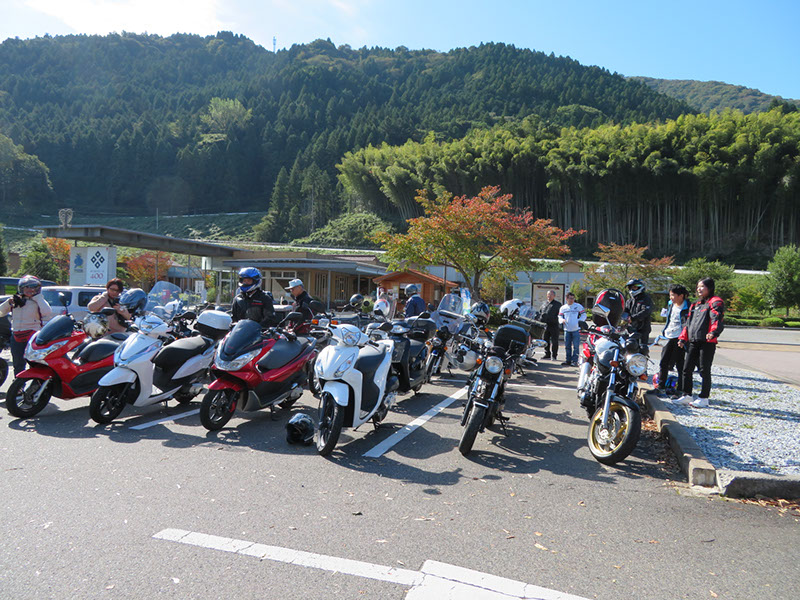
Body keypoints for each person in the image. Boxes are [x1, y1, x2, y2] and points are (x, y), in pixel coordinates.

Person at [674, 278, 725, 408]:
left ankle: (703, 397)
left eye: (702, 286)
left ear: (710, 288)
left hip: (707, 342)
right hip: (693, 341)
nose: (699, 289)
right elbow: (688, 323)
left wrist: (713, 332)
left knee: (704, 370)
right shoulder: (695, 304)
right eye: (698, 286)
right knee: (686, 369)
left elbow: (716, 319)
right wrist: (682, 338)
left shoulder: (715, 302)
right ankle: (687, 394)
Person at [0, 275, 53, 376]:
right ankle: (19, 384)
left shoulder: (38, 301)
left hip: (33, 335)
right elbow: (1, 312)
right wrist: (8, 302)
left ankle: (36, 383)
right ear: (21, 288)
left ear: (37, 289)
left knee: (34, 364)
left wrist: (37, 298)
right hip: (17, 335)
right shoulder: (16, 300)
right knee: (18, 364)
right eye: (26, 287)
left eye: (32, 288)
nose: (29, 290)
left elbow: (47, 312)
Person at [655, 284, 689, 398]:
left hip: (679, 337)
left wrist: (684, 338)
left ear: (681, 296)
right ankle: (660, 387)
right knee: (663, 362)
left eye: (673, 295)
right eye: (670, 295)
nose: (671, 298)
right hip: (668, 335)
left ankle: (680, 390)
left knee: (680, 364)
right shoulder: (670, 304)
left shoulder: (688, 306)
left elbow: (688, 324)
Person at [623, 278, 653, 356]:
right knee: (629, 348)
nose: (632, 289)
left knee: (642, 350)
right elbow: (625, 312)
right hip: (631, 329)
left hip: (643, 329)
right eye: (631, 287)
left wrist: (632, 318)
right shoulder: (629, 301)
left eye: (635, 287)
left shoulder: (646, 299)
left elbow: (645, 311)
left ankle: (642, 362)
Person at [557, 292, 586, 366]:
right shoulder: (563, 308)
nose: (572, 300)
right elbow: (560, 316)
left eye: (573, 298)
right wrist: (562, 320)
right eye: (570, 298)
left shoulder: (578, 306)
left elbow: (584, 314)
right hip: (567, 329)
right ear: (566, 299)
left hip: (576, 329)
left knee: (576, 346)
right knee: (567, 346)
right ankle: (568, 360)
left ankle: (575, 361)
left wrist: (579, 321)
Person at [539, 289, 562, 360]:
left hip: (554, 325)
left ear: (554, 296)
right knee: (545, 340)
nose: (549, 296)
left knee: (554, 341)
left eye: (551, 294)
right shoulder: (544, 303)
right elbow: (540, 312)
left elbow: (560, 315)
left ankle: (554, 355)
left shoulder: (557, 304)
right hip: (545, 325)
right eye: (548, 294)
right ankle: (547, 354)